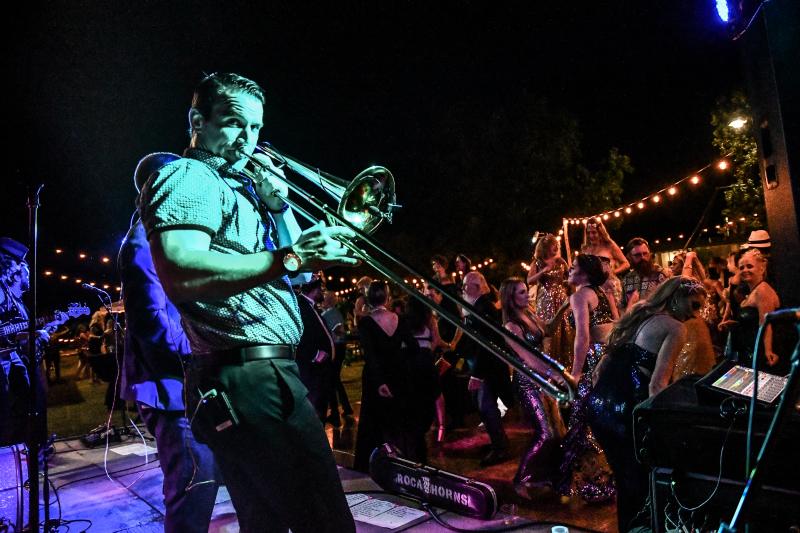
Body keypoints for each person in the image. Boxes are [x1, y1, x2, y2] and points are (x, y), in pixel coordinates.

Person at [138, 72, 357, 533]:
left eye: (256, 128)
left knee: (269, 522)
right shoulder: (187, 175)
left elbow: (298, 272)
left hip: (259, 373)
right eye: (235, 123)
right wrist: (290, 255)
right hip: (247, 375)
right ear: (198, 119)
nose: (248, 140)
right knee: (323, 521)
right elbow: (181, 270)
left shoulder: (238, 190)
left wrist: (280, 210)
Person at [119, 152, 219, 533]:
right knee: (193, 489)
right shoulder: (141, 244)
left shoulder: (167, 235)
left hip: (190, 385)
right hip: (171, 392)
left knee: (207, 483)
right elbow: (154, 326)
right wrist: (210, 337)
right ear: (158, 189)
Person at [588, 277, 707, 532]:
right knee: (639, 481)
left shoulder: (640, 314)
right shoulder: (676, 328)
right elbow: (657, 385)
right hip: (627, 409)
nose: (696, 315)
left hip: (600, 404)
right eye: (694, 306)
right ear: (676, 299)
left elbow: (602, 365)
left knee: (624, 477)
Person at [499, 277, 567, 499]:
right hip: (527, 381)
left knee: (558, 432)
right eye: (521, 292)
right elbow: (527, 358)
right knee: (544, 433)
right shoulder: (511, 326)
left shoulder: (529, 313)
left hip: (542, 378)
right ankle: (521, 479)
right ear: (510, 297)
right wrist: (553, 374)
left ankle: (548, 476)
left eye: (526, 290)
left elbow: (547, 330)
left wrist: (565, 307)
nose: (527, 295)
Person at [557, 254, 615, 503]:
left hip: (593, 359)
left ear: (585, 273)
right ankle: (603, 479)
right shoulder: (601, 292)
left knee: (580, 418)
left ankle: (586, 483)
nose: (569, 270)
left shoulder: (580, 296)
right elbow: (617, 322)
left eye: (574, 267)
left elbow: (583, 337)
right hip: (609, 357)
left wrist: (577, 372)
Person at [353, 280, 417, 471]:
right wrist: (399, 358)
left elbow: (370, 355)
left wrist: (379, 380)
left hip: (376, 375)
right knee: (398, 419)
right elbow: (413, 347)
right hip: (397, 373)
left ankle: (374, 463)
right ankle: (402, 460)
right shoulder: (399, 319)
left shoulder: (365, 322)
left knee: (374, 421)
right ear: (387, 298)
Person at [461, 271, 513, 467]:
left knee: (487, 407)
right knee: (484, 407)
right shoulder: (478, 307)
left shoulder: (483, 308)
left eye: (466, 285)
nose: (463, 288)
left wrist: (477, 375)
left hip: (487, 368)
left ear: (476, 287)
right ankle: (498, 442)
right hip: (484, 367)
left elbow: (486, 344)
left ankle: (500, 448)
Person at [719, 249, 781, 371]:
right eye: (741, 268)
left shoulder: (762, 291)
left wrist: (768, 351)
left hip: (760, 351)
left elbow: (766, 324)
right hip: (750, 349)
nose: (745, 270)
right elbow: (753, 320)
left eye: (750, 266)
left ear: (761, 269)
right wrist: (735, 323)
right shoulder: (754, 290)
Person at [527, 233, 573, 368]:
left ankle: (565, 366)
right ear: (545, 247)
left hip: (561, 298)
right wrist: (543, 271)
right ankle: (548, 366)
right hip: (546, 300)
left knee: (565, 329)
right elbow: (529, 280)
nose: (556, 247)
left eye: (557, 245)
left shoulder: (561, 261)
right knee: (549, 332)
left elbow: (570, 279)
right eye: (553, 245)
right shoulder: (537, 262)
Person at [295, 275, 334, 420]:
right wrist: (314, 354)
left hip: (319, 371)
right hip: (311, 370)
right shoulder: (301, 306)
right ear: (313, 289)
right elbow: (299, 335)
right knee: (314, 411)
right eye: (321, 289)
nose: (323, 292)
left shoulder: (310, 306)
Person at [320, 290, 353, 427]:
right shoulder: (336, 312)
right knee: (335, 380)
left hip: (335, 348)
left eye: (324, 298)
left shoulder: (328, 314)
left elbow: (337, 330)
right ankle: (345, 407)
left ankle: (335, 414)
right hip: (340, 347)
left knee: (331, 380)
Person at [581, 219, 628, 308]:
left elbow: (626, 263)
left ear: (601, 232)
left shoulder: (609, 245)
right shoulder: (585, 249)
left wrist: (613, 272)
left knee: (615, 316)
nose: (591, 235)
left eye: (594, 232)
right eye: (589, 233)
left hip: (610, 287)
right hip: (593, 288)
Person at [620, 237, 668, 312]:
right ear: (629, 257)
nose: (642, 258)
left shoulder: (661, 274)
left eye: (645, 253)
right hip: (635, 322)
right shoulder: (627, 279)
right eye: (637, 255)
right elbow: (622, 306)